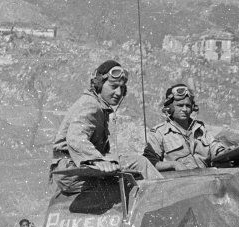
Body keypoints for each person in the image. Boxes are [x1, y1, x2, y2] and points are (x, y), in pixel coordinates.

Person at [50, 60, 162, 193]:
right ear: (99, 85)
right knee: (139, 163)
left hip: (73, 169)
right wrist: (96, 161)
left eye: (122, 88)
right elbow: (75, 137)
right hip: (72, 170)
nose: (119, 93)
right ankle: (164, 197)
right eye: (113, 86)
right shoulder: (91, 104)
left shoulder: (98, 106)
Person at [143, 83, 226, 171]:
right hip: (178, 182)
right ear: (169, 108)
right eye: (180, 105)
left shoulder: (200, 128)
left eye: (188, 106)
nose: (185, 109)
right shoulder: (159, 133)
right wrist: (174, 165)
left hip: (206, 178)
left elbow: (217, 149)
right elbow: (149, 163)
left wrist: (226, 153)